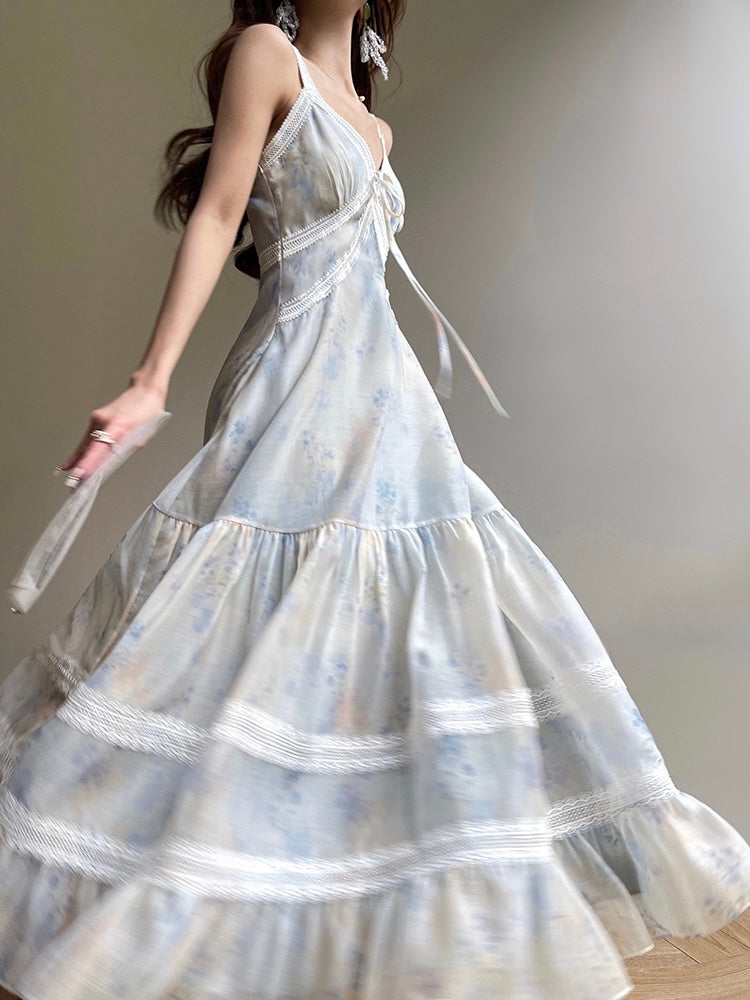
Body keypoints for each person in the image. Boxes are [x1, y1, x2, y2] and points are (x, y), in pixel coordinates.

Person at [1, 2, 749, 998]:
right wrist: (151, 380)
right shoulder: (264, 57)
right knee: (248, 620)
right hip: (295, 381)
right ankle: (190, 895)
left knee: (397, 635)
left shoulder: (371, 119)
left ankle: (352, 925)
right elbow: (221, 214)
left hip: (386, 394)